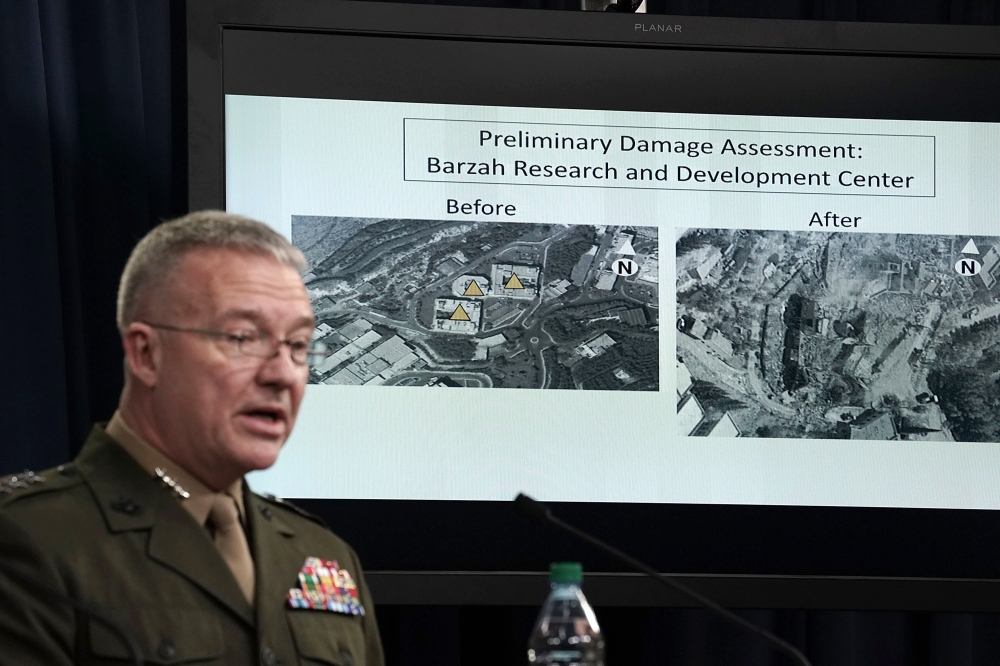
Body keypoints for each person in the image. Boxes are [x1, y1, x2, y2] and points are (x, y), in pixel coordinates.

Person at [0, 211, 384, 666]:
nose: (283, 373)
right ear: (146, 354)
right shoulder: (27, 540)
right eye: (243, 338)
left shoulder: (324, 556)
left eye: (299, 346)